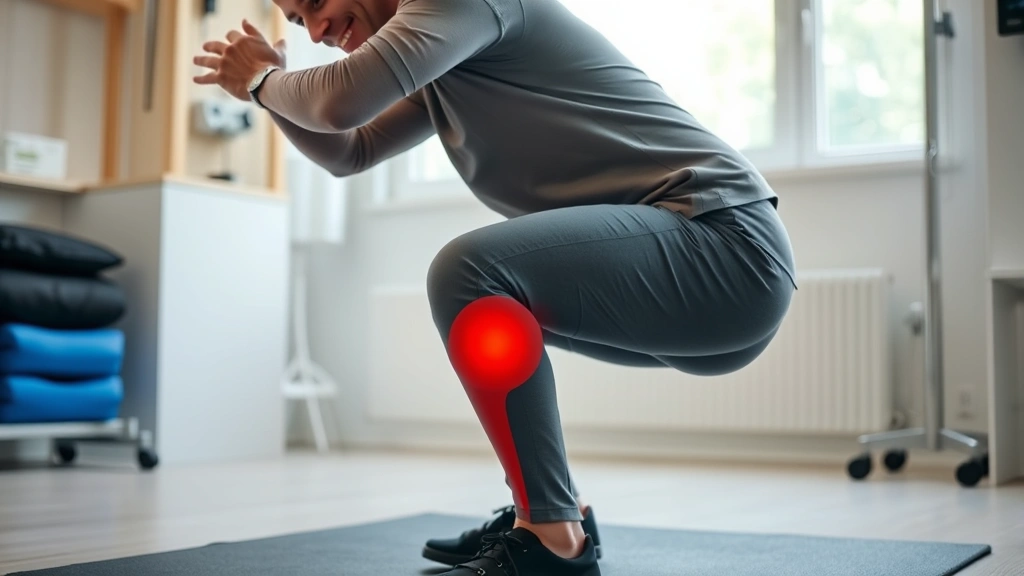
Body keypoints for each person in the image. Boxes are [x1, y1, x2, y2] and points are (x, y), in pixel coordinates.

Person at [194, 0, 797, 574]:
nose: (316, 31)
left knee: (469, 272)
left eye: (314, 5)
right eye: (298, 23)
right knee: (487, 292)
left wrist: (262, 82)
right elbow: (353, 149)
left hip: (723, 243)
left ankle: (550, 536)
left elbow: (338, 104)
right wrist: (269, 92)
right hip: (706, 285)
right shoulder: (441, 64)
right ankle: (557, 511)